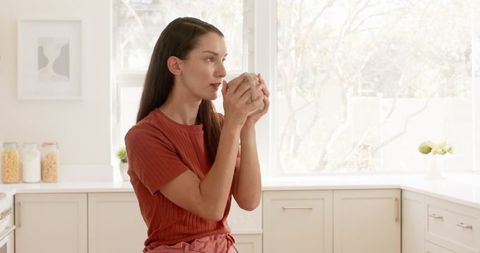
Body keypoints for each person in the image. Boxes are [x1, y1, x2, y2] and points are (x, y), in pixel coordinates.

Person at [125, 17, 270, 253]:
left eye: (223, 60)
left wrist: (247, 126)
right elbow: (209, 207)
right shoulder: (144, 137)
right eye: (209, 59)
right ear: (176, 66)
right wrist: (233, 125)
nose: (222, 71)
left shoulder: (221, 125)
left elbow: (249, 200)